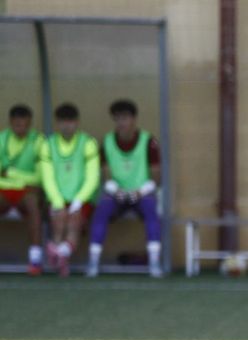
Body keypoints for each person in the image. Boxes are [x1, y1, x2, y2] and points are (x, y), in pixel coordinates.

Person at [87, 99, 163, 278]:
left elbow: (157, 177)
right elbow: (106, 176)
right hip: (117, 194)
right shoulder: (106, 142)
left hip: (142, 192)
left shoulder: (149, 141)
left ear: (134, 119)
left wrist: (140, 191)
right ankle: (93, 262)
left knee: (152, 210)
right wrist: (116, 191)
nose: (121, 123)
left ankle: (154, 263)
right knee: (102, 209)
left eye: (125, 118)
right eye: (118, 119)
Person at [38, 102, 99, 278]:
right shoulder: (48, 144)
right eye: (63, 121)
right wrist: (57, 202)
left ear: (77, 122)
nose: (67, 125)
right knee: (59, 219)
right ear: (57, 123)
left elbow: (92, 177)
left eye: (70, 121)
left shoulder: (88, 143)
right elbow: (47, 177)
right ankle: (61, 258)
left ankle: (59, 254)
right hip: (57, 197)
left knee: (74, 220)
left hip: (82, 198)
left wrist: (79, 201)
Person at [0, 104, 46, 275]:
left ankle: (35, 260)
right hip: (4, 191)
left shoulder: (39, 141)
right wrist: (20, 180)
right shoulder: (1, 139)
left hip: (27, 193)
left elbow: (39, 178)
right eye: (17, 124)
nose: (21, 128)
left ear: (30, 123)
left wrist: (10, 173)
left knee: (33, 203)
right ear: (10, 123)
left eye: (25, 124)